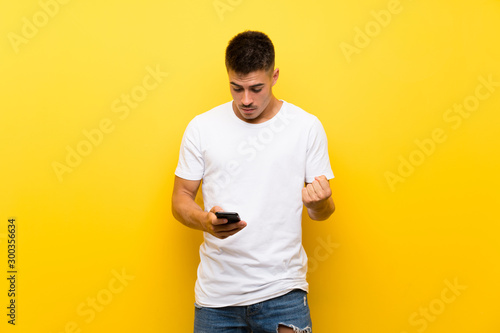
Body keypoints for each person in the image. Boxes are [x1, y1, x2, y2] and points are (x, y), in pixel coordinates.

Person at [172, 30, 335, 333]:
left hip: (283, 293)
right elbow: (180, 197)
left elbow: (322, 212)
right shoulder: (202, 127)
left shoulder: (306, 127)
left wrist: (320, 201)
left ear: (274, 76)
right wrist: (205, 221)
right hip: (216, 298)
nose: (246, 100)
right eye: (236, 88)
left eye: (256, 88)